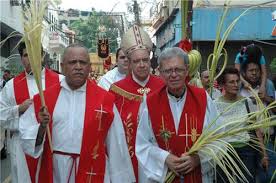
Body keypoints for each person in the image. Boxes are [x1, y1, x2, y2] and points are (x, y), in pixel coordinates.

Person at [19, 44, 135, 183]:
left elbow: (117, 144)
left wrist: (121, 178)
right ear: (62, 66)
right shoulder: (43, 99)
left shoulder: (105, 100)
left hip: (91, 170)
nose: (78, 66)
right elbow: (27, 140)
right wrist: (42, 127)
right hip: (55, 171)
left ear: (89, 66)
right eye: (73, 62)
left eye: (83, 62)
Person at [136, 47, 220, 183]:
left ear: (186, 70)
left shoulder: (202, 98)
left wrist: (198, 158)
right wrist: (164, 158)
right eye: (168, 70)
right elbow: (142, 144)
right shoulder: (150, 102)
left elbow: (218, 137)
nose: (173, 75)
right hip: (165, 177)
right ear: (160, 73)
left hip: (198, 175)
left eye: (178, 69)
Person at [0, 42, 62, 183]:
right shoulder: (11, 86)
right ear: (21, 58)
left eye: (35, 54)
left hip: (54, 142)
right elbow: (1, 115)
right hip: (22, 146)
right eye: (27, 55)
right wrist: (19, 109)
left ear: (42, 56)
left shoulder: (60, 81)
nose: (31, 59)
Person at [109, 24, 164, 181]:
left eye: (145, 60)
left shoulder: (163, 86)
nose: (141, 64)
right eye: (137, 61)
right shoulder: (116, 91)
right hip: (127, 157)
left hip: (159, 156)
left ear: (150, 60)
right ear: (130, 63)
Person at [215, 67, 268, 183]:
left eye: (237, 81)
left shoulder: (247, 102)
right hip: (224, 154)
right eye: (231, 82)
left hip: (246, 153)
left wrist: (264, 154)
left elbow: (257, 130)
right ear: (223, 85)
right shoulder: (215, 105)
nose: (236, 84)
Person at [240, 61, 276, 183]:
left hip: (266, 139)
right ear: (244, 73)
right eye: (251, 70)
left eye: (257, 70)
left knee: (268, 176)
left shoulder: (268, 84)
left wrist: (266, 98)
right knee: (248, 177)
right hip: (247, 142)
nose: (254, 73)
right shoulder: (239, 86)